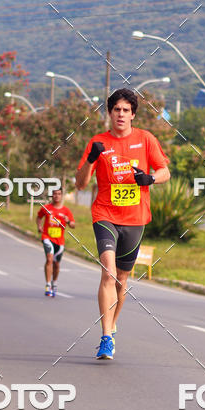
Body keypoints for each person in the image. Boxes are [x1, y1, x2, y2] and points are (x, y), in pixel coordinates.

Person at [76, 88, 170, 360]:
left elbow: (165, 171)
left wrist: (150, 179)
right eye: (116, 109)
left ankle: (113, 324)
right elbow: (81, 183)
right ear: (109, 112)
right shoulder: (98, 142)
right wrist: (92, 159)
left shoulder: (146, 139)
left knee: (122, 280)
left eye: (126, 110)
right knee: (108, 272)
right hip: (105, 214)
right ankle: (106, 338)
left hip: (135, 218)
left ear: (133, 114)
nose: (120, 114)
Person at [36, 188, 75, 297]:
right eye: (54, 194)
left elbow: (73, 225)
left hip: (60, 240)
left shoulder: (66, 211)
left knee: (56, 264)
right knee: (49, 259)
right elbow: (39, 217)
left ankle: (54, 282)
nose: (56, 196)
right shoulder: (46, 208)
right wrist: (39, 226)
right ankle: (48, 284)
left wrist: (68, 221)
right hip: (47, 237)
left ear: (61, 196)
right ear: (52, 196)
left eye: (59, 194)